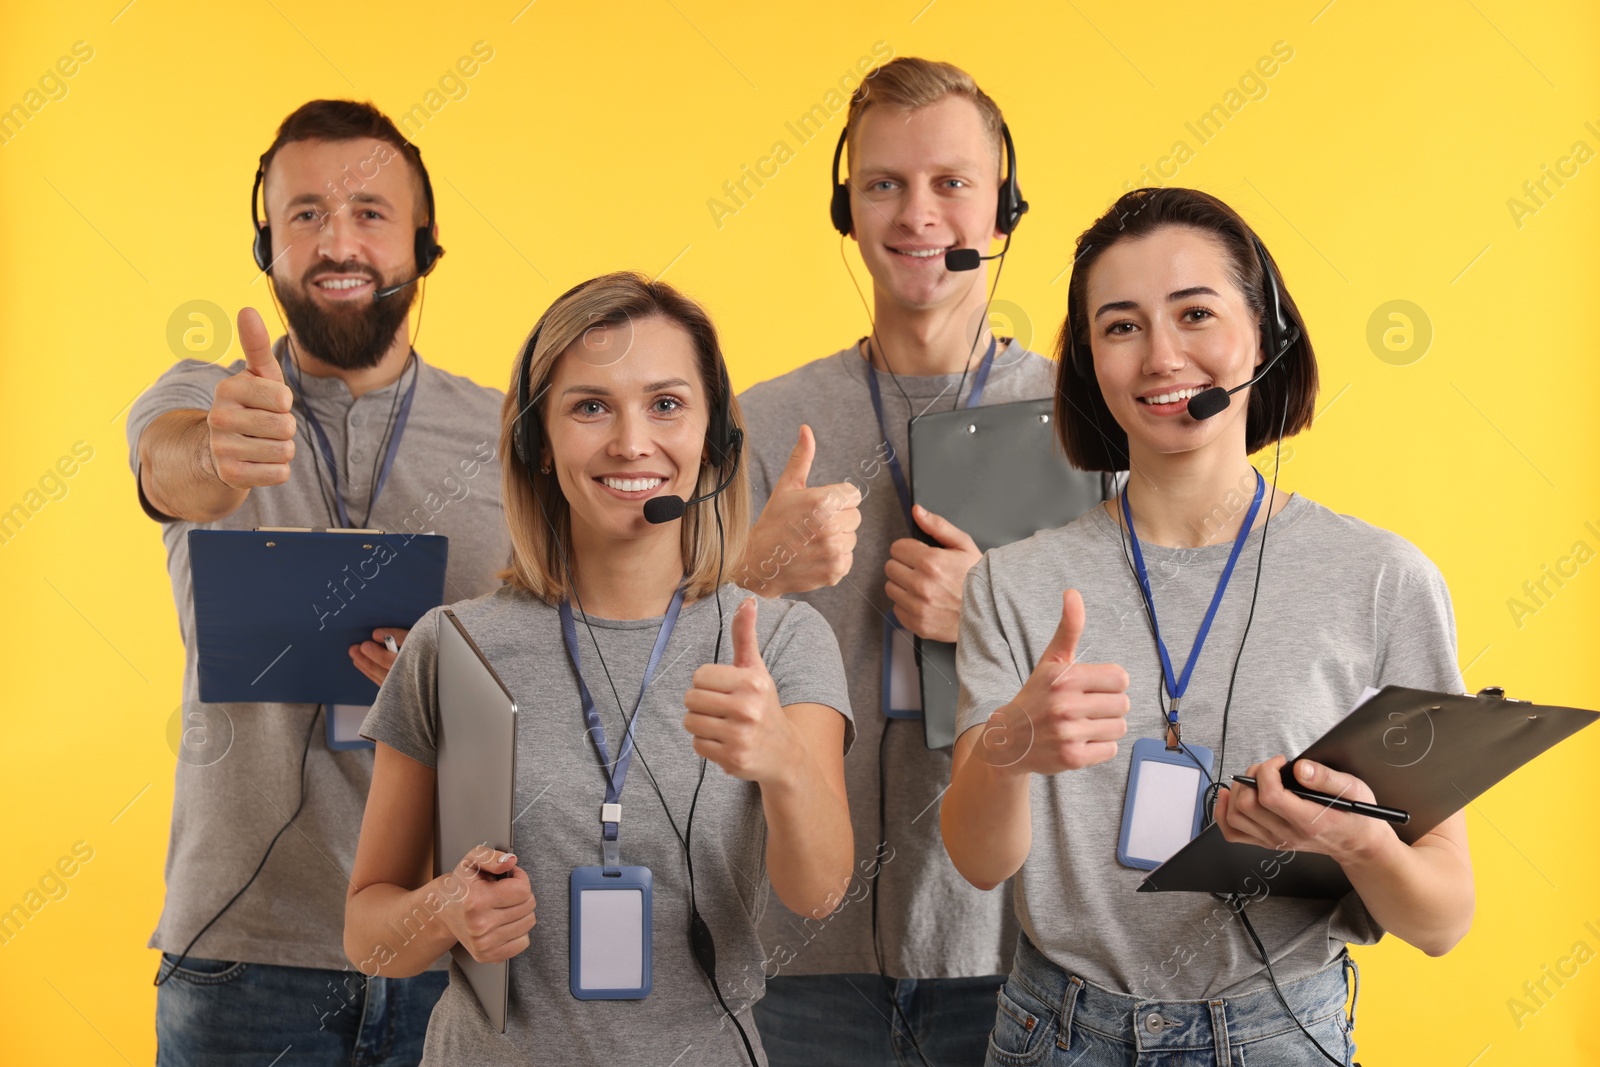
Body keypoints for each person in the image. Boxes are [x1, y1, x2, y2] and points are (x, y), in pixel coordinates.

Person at [942, 186, 1475, 1066]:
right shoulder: (1014, 581)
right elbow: (977, 859)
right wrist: (1011, 744)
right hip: (1056, 1032)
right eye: (1120, 326)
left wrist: (1355, 837)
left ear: (1262, 335)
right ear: (1088, 363)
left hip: (1279, 1032)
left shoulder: (1383, 580)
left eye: (1195, 313)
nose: (1161, 356)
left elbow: (1443, 918)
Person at [346, 272, 855, 1065]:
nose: (630, 442)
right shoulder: (451, 645)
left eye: (666, 404)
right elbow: (369, 935)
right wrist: (446, 907)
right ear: (537, 444)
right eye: (590, 406)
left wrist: (783, 762)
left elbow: (818, 892)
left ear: (715, 440)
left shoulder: (782, 640)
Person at [128, 99, 510, 1065]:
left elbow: (580, 651)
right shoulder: (201, 398)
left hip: (447, 939)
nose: (339, 240)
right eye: (305, 214)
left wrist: (442, 696)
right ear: (267, 244)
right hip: (241, 953)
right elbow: (168, 467)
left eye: (372, 212)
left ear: (425, 244)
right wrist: (221, 451)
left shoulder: (514, 437)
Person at [737, 56, 1102, 1066]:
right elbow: (648, 662)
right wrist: (751, 577)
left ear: (1004, 210)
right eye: (883, 185)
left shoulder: (1089, 421)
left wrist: (987, 616)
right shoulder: (758, 422)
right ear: (844, 211)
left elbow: (1147, 684)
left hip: (1022, 954)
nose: (916, 216)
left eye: (951, 184)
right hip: (797, 959)